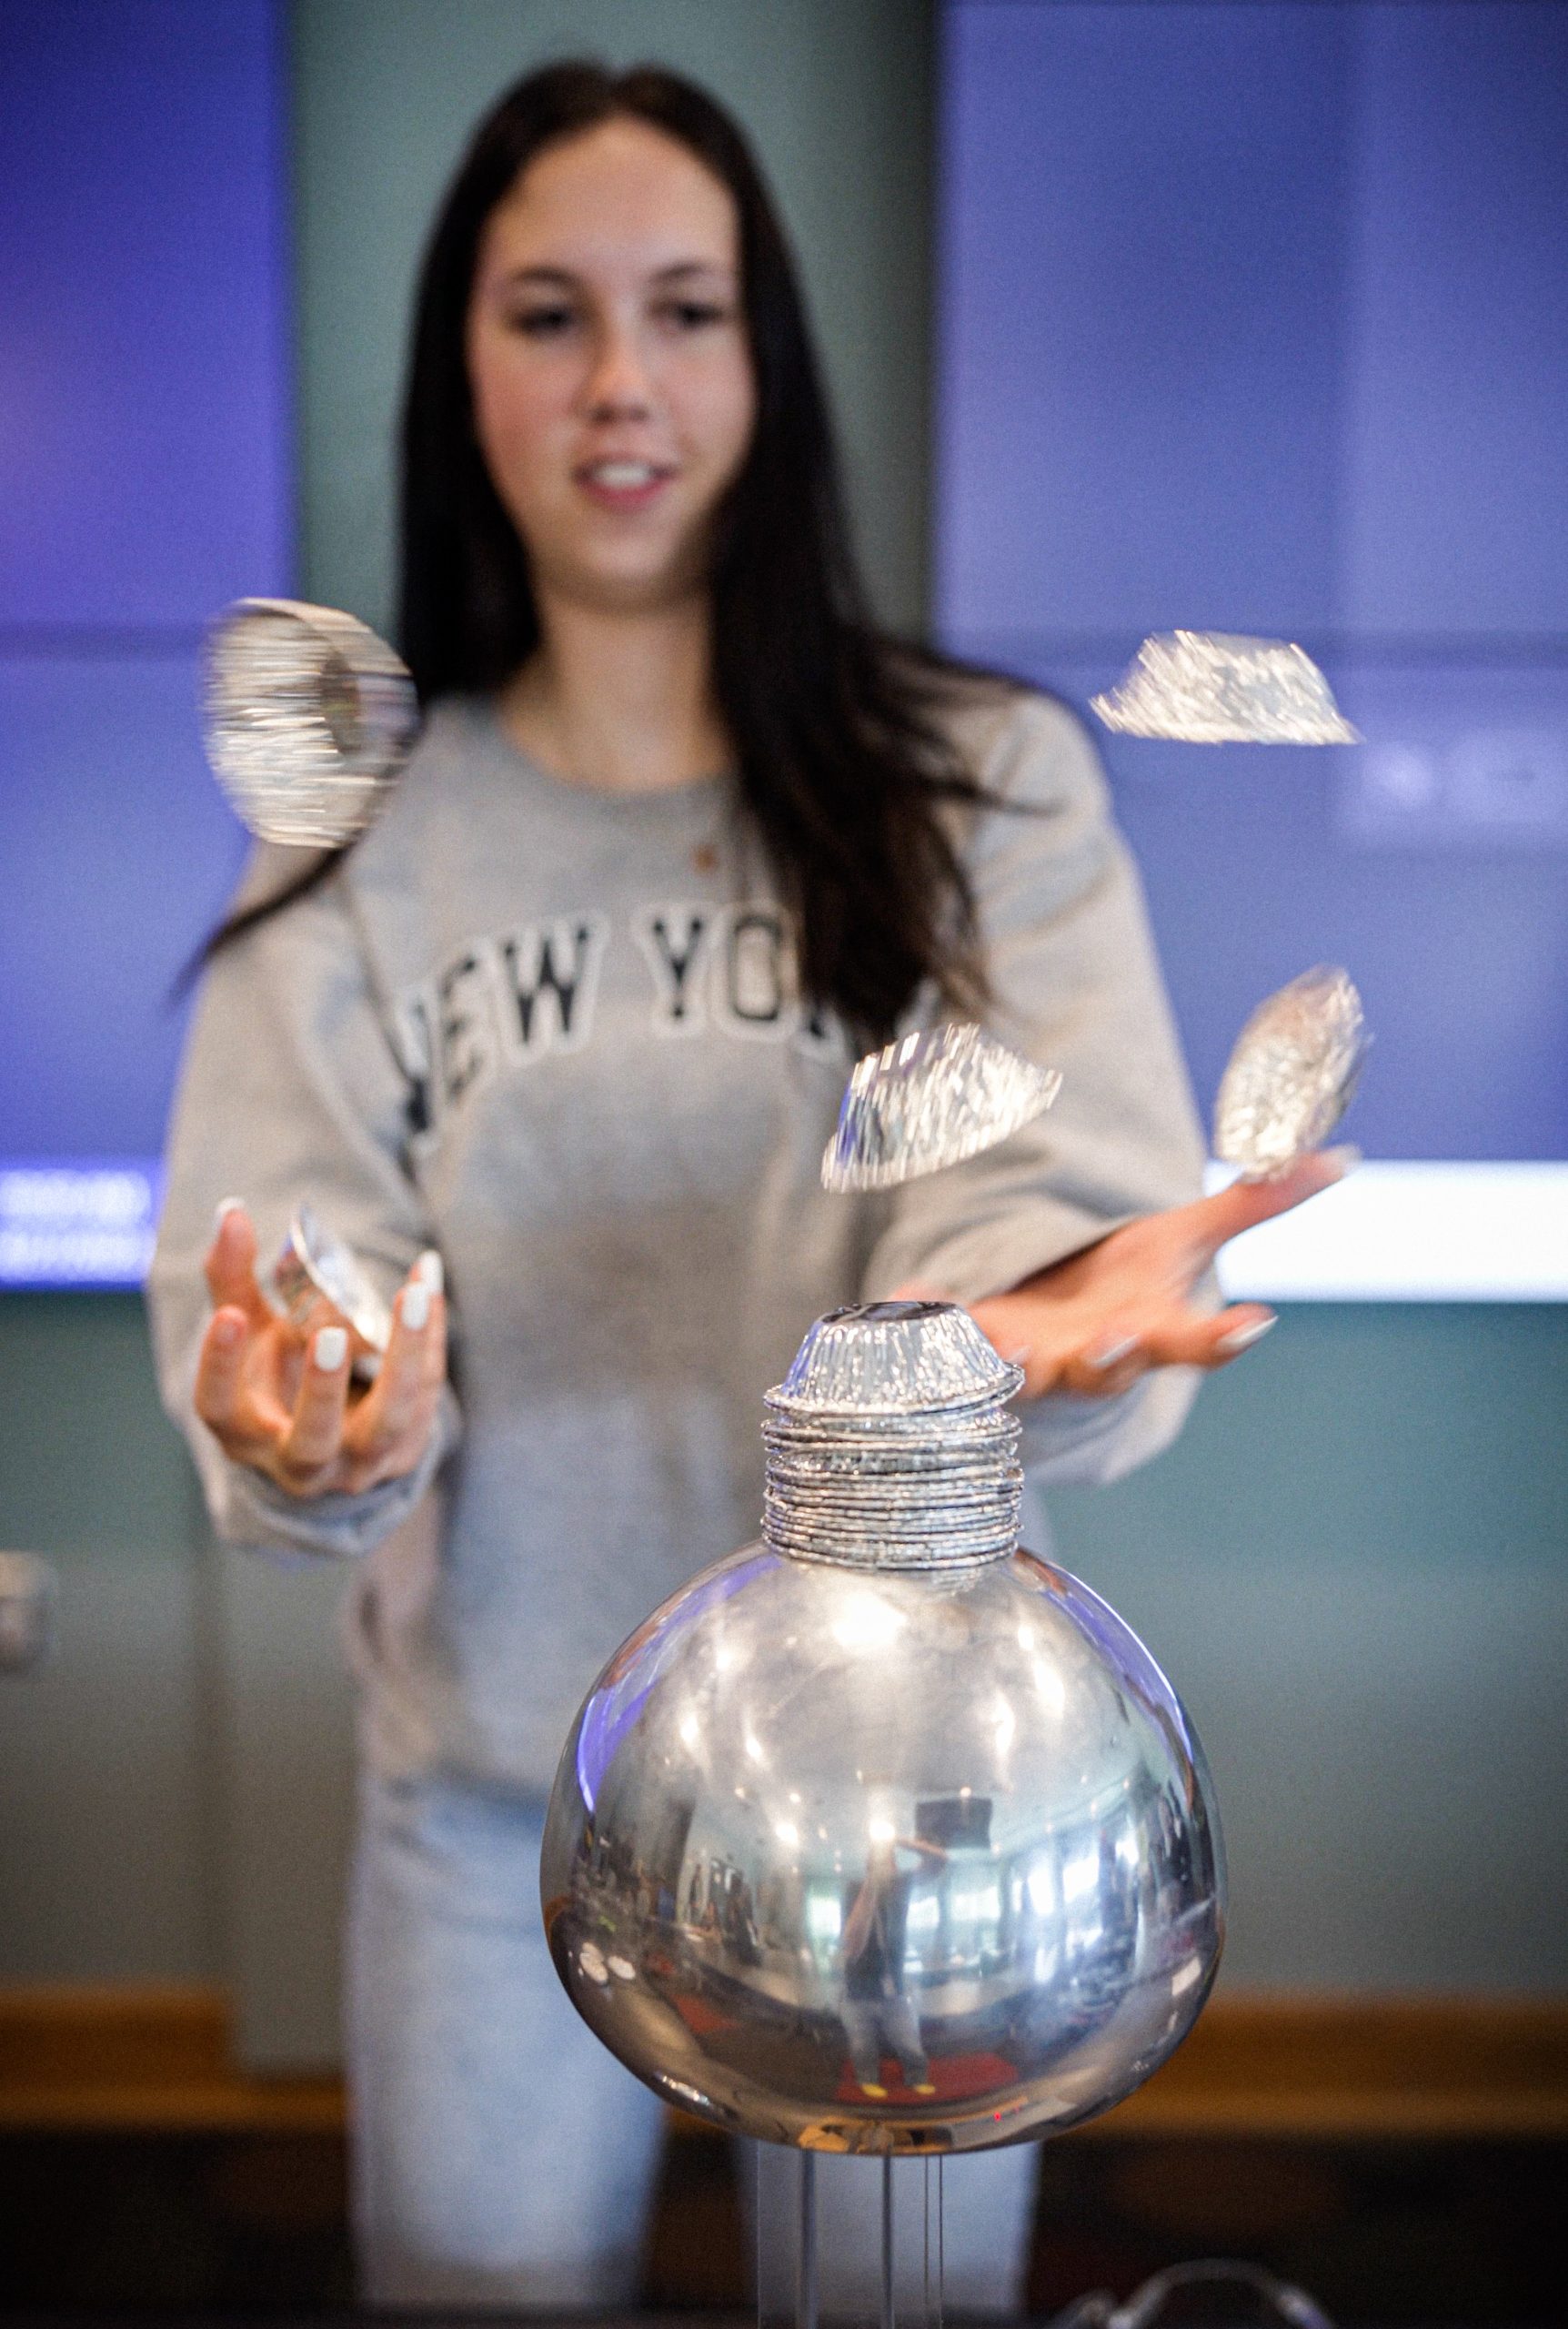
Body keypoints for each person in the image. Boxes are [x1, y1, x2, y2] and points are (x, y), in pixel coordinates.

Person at [148, 60, 1343, 2311]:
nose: (622, 381)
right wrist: (323, 1419)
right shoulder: (354, 848)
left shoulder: (982, 786)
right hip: (495, 1797)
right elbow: (297, 1309)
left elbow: (1051, 1273)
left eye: (686, 309)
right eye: (547, 314)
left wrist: (1024, 1328)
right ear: (461, 371)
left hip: (921, 1822)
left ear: (765, 363)